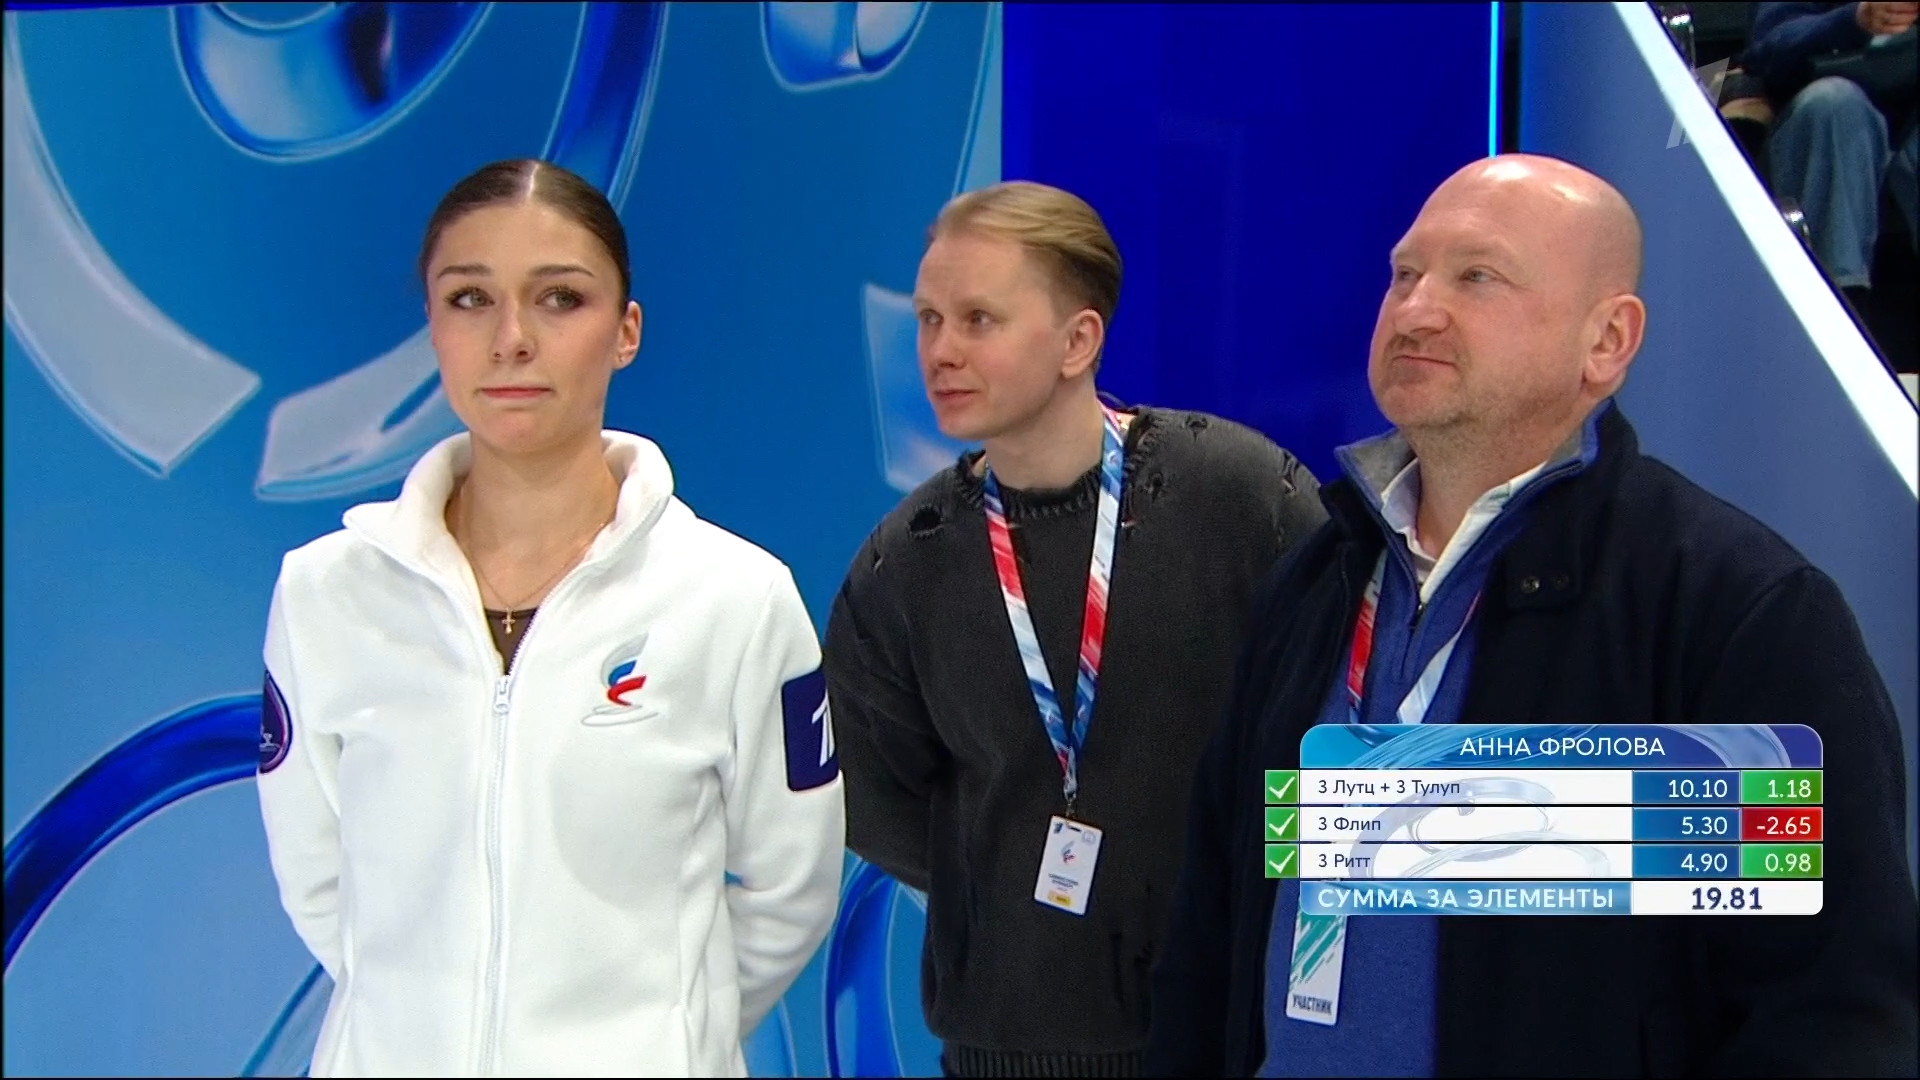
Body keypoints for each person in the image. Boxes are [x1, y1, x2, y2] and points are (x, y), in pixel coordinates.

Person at [1147, 154, 1918, 1077]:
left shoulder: (1733, 610)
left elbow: (1828, 1012)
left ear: (1608, 341)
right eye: (1404, 274)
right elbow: (1216, 927)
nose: (1416, 309)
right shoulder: (1317, 584)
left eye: (1477, 276)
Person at [255, 159, 844, 1078]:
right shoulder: (326, 593)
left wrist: (666, 1041)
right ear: (433, 326)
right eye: (471, 299)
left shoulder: (735, 598)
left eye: (560, 299)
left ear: (626, 331)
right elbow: (319, 885)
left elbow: (792, 886)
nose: (512, 340)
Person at [824, 180, 1327, 1077]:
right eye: (929, 319)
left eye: (979, 319)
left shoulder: (1242, 498)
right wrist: (997, 888)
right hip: (1004, 1043)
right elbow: (874, 793)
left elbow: (1333, 725)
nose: (940, 350)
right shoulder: (908, 562)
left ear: (1078, 341)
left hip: (1223, 1031)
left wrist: (1238, 902)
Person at [1745, 3, 1919, 313]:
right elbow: (1769, 49)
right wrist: (1855, 20)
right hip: (1827, 120)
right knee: (1834, 104)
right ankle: (1838, 312)